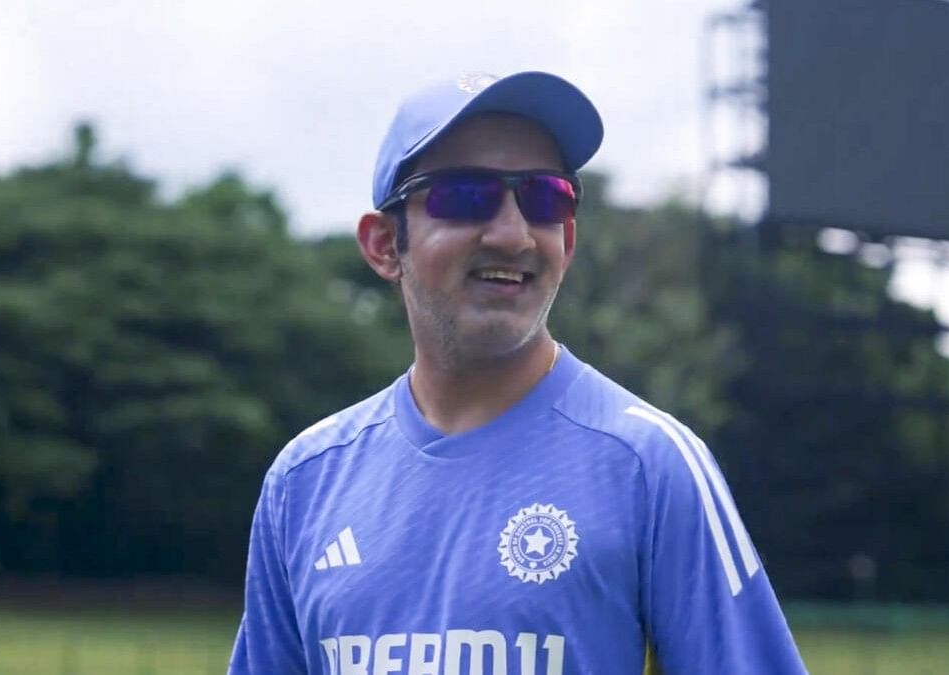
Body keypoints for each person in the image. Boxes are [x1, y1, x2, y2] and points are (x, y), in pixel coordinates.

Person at [229, 71, 807, 675]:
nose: (513, 233)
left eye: (545, 198)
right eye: (464, 196)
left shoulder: (650, 464)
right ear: (383, 244)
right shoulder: (306, 480)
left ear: (569, 238)